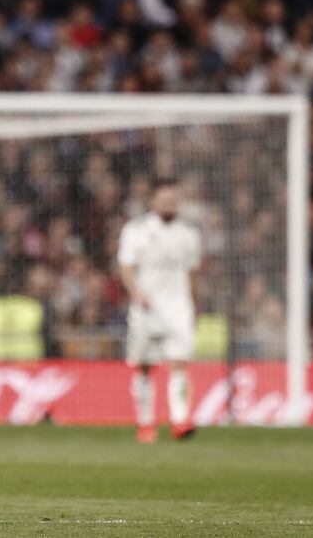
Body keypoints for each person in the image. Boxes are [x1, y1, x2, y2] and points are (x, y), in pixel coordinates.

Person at [118, 180, 201, 444]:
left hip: (178, 306)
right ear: (153, 202)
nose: (169, 206)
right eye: (164, 201)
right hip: (147, 307)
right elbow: (126, 266)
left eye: (173, 201)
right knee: (144, 367)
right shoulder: (136, 231)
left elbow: (193, 272)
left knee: (179, 364)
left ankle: (180, 420)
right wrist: (135, 292)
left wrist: (194, 303)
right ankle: (146, 423)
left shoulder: (189, 234)